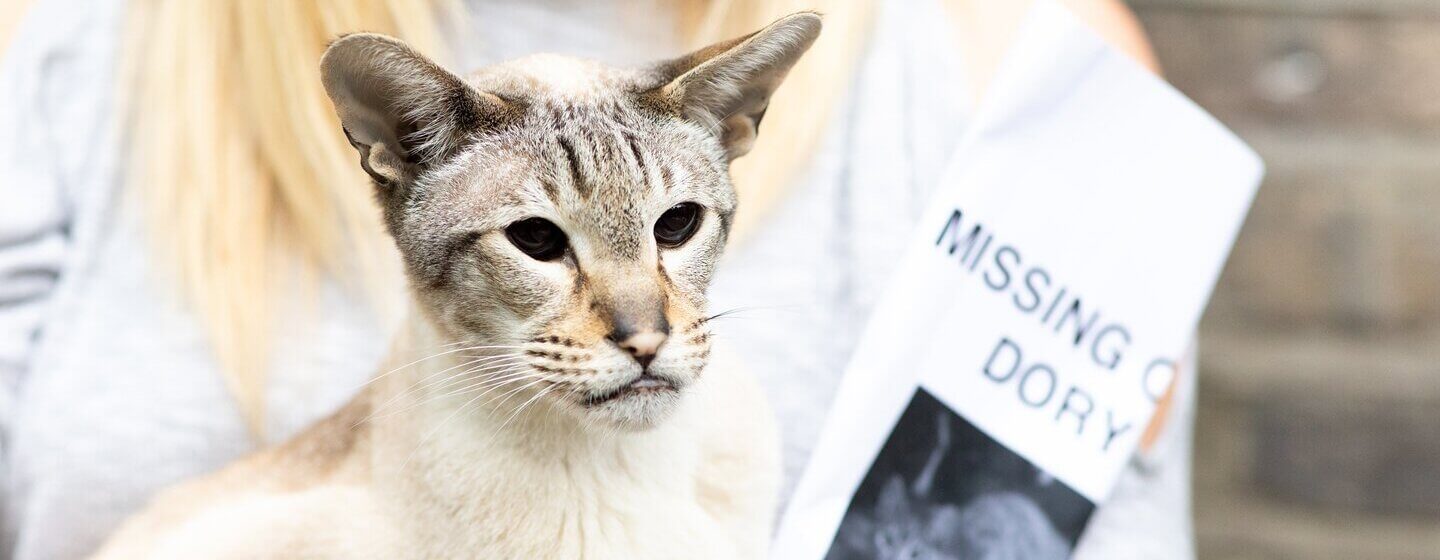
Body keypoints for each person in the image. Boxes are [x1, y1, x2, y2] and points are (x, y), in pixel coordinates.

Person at [0, 0, 1188, 558]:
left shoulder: (1024, 51)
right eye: (542, 242)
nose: (638, 323)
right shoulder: (66, 40)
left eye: (677, 226)